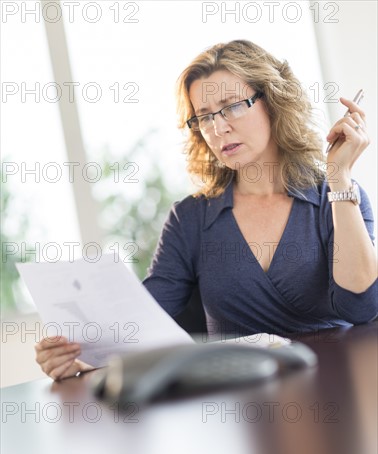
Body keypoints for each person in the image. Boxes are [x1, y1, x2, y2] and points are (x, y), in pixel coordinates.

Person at [35, 39, 377, 380]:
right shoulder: (191, 219)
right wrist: (80, 358)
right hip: (239, 407)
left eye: (232, 106)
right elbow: (141, 327)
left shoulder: (335, 197)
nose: (218, 127)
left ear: (272, 102)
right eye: (204, 117)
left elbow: (361, 306)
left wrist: (338, 178)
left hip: (335, 392)